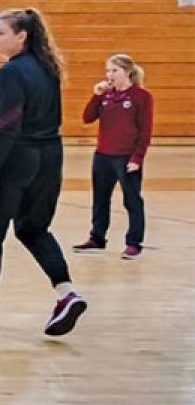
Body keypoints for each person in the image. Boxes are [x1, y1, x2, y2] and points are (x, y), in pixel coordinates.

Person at [0, 8, 86, 337]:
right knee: (33, 229)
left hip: (15, 160)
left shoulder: (11, 73)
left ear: (21, 36)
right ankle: (66, 293)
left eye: (0, 33)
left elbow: (8, 129)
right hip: (49, 158)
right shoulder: (47, 68)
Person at [75, 54, 152, 259]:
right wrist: (97, 95)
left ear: (127, 72)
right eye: (108, 71)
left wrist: (138, 158)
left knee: (132, 200)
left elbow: (145, 131)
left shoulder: (141, 96)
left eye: (114, 71)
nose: (110, 75)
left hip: (126, 156)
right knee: (100, 199)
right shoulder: (106, 95)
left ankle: (134, 242)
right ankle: (97, 237)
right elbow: (87, 117)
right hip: (103, 155)